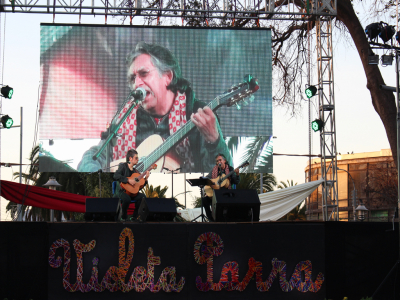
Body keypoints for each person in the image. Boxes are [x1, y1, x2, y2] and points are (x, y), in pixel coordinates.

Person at [77, 42, 232, 173]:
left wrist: (214, 141)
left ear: (168, 77)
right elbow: (93, 156)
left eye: (144, 74)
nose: (137, 84)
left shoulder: (198, 114)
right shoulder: (125, 120)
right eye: (132, 78)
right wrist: (98, 179)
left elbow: (223, 176)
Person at [113, 149, 150, 221]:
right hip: (121, 192)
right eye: (136, 158)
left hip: (131, 193)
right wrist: (128, 180)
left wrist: (146, 179)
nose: (138, 159)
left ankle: (134, 216)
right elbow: (116, 176)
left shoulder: (135, 171)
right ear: (130, 158)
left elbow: (138, 187)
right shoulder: (123, 166)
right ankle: (123, 217)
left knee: (142, 197)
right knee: (127, 199)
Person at [202, 153, 240, 222]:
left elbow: (236, 181)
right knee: (204, 200)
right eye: (217, 161)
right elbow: (207, 178)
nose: (219, 162)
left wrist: (237, 174)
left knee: (222, 190)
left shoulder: (230, 169)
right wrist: (212, 183)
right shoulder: (214, 169)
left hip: (226, 193)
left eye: (220, 160)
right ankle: (211, 219)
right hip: (214, 193)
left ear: (224, 160)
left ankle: (224, 218)